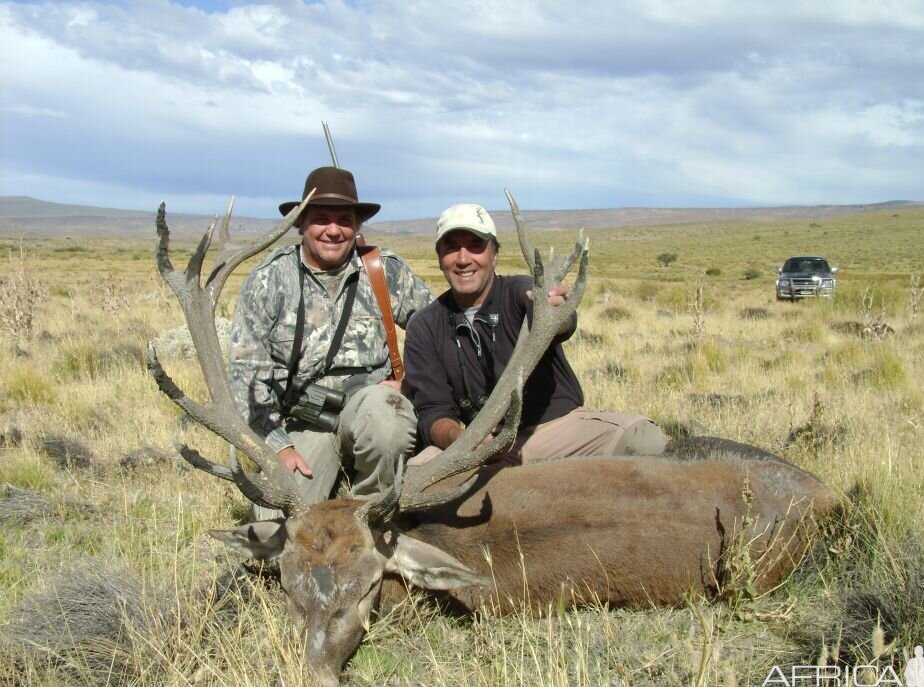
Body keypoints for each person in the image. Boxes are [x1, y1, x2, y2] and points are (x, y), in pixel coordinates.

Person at [228, 167, 434, 518]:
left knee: (388, 419)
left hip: (371, 409)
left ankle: (372, 517)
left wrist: (410, 381)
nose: (334, 230)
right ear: (300, 224)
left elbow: (434, 331)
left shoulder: (383, 270)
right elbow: (245, 377)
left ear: (357, 226)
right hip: (301, 423)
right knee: (274, 526)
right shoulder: (269, 280)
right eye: (321, 219)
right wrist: (279, 447)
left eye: (344, 220)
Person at [402, 203, 666, 465]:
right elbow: (433, 412)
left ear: (494, 256)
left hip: (555, 432)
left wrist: (553, 313)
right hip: (479, 446)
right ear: (439, 258)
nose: (463, 258)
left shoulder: (520, 293)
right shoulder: (424, 327)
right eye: (451, 248)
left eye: (475, 245)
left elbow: (563, 320)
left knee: (643, 439)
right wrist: (462, 439)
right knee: (415, 478)